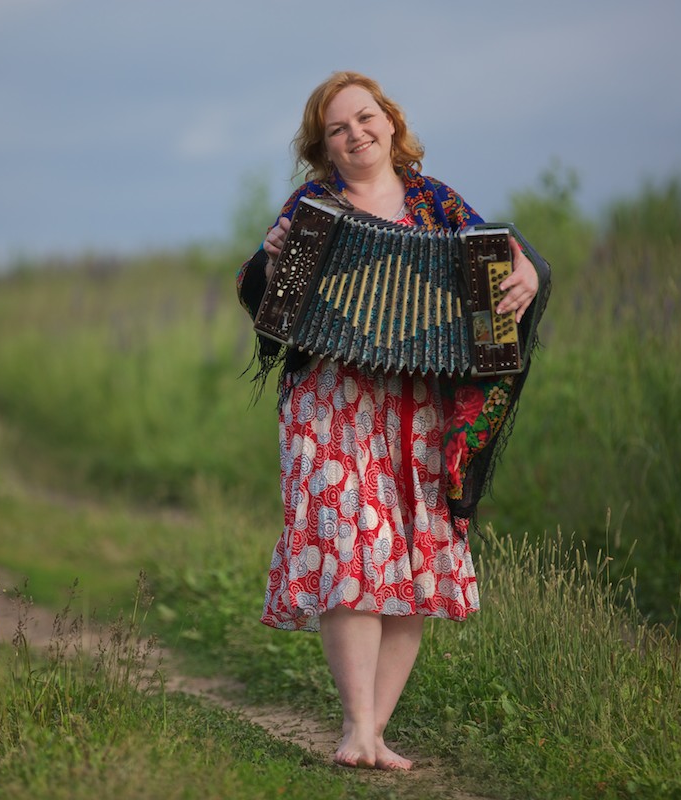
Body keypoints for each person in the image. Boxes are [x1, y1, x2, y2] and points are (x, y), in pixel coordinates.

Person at [235, 71, 549, 771]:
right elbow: (260, 296)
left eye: (365, 117)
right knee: (351, 549)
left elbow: (504, 262)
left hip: (420, 409)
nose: (356, 134)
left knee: (412, 562)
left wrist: (527, 266)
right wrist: (274, 257)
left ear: (390, 122)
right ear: (324, 148)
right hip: (331, 402)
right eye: (338, 129)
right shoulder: (312, 208)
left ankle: (375, 731)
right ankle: (355, 727)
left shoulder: (438, 203)